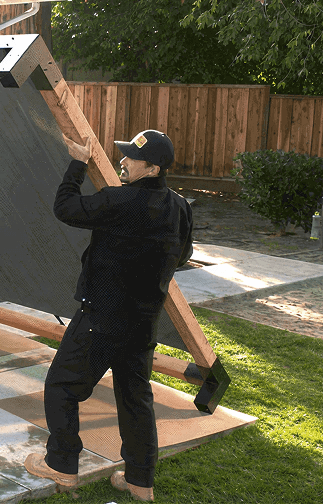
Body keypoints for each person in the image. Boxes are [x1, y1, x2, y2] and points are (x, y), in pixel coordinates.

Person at [23, 130, 193, 502]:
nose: (125, 161)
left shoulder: (117, 200)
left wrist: (77, 163)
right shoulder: (180, 207)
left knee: (62, 386)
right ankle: (140, 483)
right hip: (143, 323)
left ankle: (62, 465)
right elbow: (182, 254)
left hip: (100, 319)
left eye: (132, 157)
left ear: (152, 167)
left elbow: (65, 208)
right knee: (136, 398)